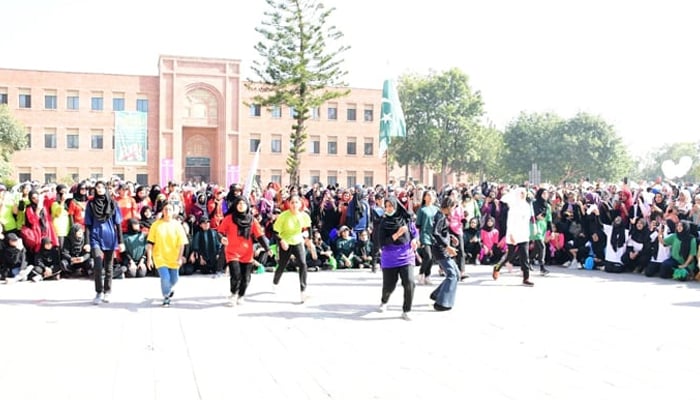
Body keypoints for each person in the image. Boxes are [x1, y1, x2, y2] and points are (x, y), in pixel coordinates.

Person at [218, 195, 270, 306]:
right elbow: (219, 232)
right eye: (239, 204)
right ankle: (233, 294)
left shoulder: (252, 220)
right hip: (232, 252)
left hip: (247, 253)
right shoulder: (229, 218)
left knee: (246, 277)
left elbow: (260, 236)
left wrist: (267, 248)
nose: (241, 206)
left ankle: (241, 295)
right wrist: (222, 238)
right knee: (236, 275)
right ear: (235, 205)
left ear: (247, 206)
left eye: (243, 204)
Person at [377, 196, 418, 321]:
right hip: (390, 257)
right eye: (387, 206)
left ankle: (406, 310)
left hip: (406, 254)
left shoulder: (405, 219)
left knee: (410, 282)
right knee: (389, 285)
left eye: (391, 206)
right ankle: (384, 301)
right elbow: (381, 242)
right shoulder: (383, 222)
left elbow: (414, 232)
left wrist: (415, 239)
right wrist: (397, 234)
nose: (389, 208)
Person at [85, 180, 124, 305]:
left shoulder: (113, 203)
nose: (100, 189)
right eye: (97, 187)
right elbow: (87, 224)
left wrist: (121, 241)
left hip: (109, 237)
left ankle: (107, 290)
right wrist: (86, 242)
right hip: (95, 236)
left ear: (105, 189)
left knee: (108, 266)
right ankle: (98, 291)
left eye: (102, 187)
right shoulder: (90, 204)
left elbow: (118, 224)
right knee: (97, 263)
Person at [146, 203, 189, 307]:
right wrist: (149, 259)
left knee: (174, 279)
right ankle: (166, 296)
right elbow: (150, 243)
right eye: (165, 209)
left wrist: (180, 258)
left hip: (174, 257)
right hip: (160, 257)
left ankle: (169, 288)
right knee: (165, 277)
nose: (167, 211)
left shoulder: (177, 225)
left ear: (173, 211)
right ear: (162, 211)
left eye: (170, 209)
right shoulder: (155, 225)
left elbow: (182, 243)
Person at [272, 194, 313, 303]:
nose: (295, 205)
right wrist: (281, 240)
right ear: (288, 204)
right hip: (285, 241)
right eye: (292, 202)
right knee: (282, 265)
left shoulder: (304, 215)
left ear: (300, 204)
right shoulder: (283, 216)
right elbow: (275, 232)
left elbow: (309, 228)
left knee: (303, 264)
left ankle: (303, 291)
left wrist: (309, 239)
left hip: (298, 241)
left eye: (297, 202)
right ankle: (275, 282)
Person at [492, 187, 535, 286]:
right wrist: (511, 235)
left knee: (525, 256)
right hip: (513, 234)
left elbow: (527, 220)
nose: (523, 194)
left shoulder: (527, 206)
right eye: (521, 193)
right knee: (509, 255)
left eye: (524, 193)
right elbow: (510, 223)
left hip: (524, 234)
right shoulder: (513, 207)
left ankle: (526, 277)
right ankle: (497, 267)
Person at [430, 196, 460, 311]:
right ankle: (442, 303)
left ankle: (437, 294)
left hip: (443, 248)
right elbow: (436, 233)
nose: (453, 210)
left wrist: (450, 237)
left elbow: (441, 232)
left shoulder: (441, 216)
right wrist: (447, 246)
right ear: (448, 207)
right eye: (453, 207)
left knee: (456, 274)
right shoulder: (440, 216)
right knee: (452, 275)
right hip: (440, 250)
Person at [415, 190, 438, 285]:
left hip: (434, 235)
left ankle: (427, 275)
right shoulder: (422, 209)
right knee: (427, 255)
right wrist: (417, 238)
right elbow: (418, 225)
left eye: (432, 195)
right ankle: (421, 273)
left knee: (432, 257)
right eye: (428, 195)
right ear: (424, 197)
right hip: (424, 234)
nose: (430, 197)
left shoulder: (436, 209)